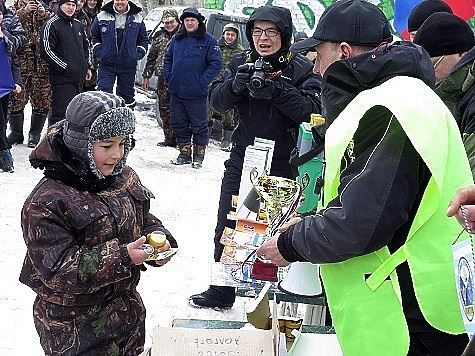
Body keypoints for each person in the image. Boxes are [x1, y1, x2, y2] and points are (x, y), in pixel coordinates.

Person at [257, 0, 471, 355]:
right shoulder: (404, 96)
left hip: (410, 312)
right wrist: (310, 221)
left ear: (342, 52)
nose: (316, 68)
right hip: (424, 296)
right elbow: (377, 197)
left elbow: (361, 224)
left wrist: (289, 244)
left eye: (319, 55)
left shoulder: (388, 108)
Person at [19, 91, 178, 354]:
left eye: (123, 143)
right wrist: (124, 256)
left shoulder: (123, 176)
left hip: (125, 318)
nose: (117, 154)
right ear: (80, 143)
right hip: (73, 327)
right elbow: (59, 271)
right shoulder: (47, 202)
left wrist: (158, 239)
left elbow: (142, 217)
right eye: (106, 146)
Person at [188, 5, 321, 309]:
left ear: (283, 34)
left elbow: (313, 111)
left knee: (275, 230)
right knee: (231, 223)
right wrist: (236, 85)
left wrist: (278, 91)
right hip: (245, 158)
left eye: (271, 31)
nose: (263, 38)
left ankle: (271, 295)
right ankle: (221, 288)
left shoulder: (301, 68)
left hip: (285, 163)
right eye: (257, 31)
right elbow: (217, 102)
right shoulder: (240, 62)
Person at [414, 13, 475, 174]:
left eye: (432, 66)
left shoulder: (470, 100)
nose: (428, 76)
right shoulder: (459, 94)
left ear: (461, 54)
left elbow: (468, 180)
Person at [163, 7, 222, 169]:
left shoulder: (209, 41)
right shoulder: (177, 39)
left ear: (198, 22)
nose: (189, 23)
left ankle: (198, 156)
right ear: (183, 23)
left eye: (192, 20)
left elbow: (216, 63)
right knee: (178, 123)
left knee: (198, 125)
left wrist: (202, 81)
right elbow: (167, 59)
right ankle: (184, 154)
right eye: (186, 20)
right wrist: (169, 76)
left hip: (196, 92)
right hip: (176, 90)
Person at [40, 0, 91, 126]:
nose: (71, 8)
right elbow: (46, 50)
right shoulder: (51, 24)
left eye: (73, 5)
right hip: (61, 80)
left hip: (78, 80)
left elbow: (86, 46)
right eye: (67, 4)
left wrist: (87, 66)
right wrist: (65, 67)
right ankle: (54, 143)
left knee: (76, 115)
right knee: (60, 116)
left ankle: (71, 143)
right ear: (61, 5)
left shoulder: (78, 24)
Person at [8, 0, 52, 148]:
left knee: (42, 99)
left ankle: (34, 134)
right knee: (17, 98)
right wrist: (24, 13)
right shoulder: (13, 9)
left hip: (41, 65)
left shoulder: (44, 9)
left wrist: (43, 15)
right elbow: (7, 27)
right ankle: (16, 133)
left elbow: (53, 26)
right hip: (20, 64)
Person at [91, 0, 148, 108]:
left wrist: (136, 54)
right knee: (103, 96)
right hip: (106, 64)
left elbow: (143, 40)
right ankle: (103, 123)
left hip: (128, 65)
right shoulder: (102, 16)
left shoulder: (137, 17)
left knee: (127, 98)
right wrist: (100, 52)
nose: (120, 2)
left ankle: (125, 123)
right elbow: (94, 37)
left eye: (123, 0)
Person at [142, 8, 180, 147]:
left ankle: (182, 140)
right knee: (164, 109)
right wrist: (146, 76)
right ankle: (169, 139)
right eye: (166, 23)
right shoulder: (159, 37)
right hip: (163, 79)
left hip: (179, 79)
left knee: (179, 110)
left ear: (177, 21)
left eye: (171, 22)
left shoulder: (184, 36)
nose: (169, 25)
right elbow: (151, 58)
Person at [209, 22, 244, 151]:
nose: (229, 37)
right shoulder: (215, 47)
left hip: (228, 84)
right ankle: (205, 136)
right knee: (207, 110)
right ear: (223, 35)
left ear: (236, 37)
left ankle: (226, 140)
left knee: (228, 113)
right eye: (227, 34)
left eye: (232, 35)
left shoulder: (240, 50)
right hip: (213, 82)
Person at [0, 1, 22, 172]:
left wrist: (17, 81)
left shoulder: (6, 36)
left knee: (3, 121)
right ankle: (6, 156)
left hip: (5, 87)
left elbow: (15, 62)